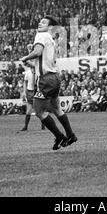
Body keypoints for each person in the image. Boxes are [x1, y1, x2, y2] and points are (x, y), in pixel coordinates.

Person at [20, 16, 77, 150]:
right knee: (56, 108)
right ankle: (70, 135)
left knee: (39, 111)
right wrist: (30, 62)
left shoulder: (41, 35)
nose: (40, 23)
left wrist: (26, 56)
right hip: (55, 77)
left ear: (49, 27)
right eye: (39, 21)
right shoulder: (51, 39)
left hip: (46, 80)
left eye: (44, 22)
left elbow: (38, 51)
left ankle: (59, 136)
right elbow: (42, 60)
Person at [18, 44, 45, 132]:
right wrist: (24, 92)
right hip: (30, 91)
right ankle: (25, 126)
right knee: (28, 110)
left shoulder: (38, 71)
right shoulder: (27, 73)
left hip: (37, 90)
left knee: (39, 110)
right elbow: (25, 83)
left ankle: (43, 126)